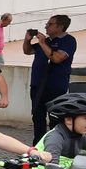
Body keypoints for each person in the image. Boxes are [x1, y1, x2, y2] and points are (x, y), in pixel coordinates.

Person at [23, 14, 77, 142]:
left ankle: (55, 146)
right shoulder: (46, 42)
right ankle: (38, 147)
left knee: (56, 119)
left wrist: (42, 42)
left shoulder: (69, 40)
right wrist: (27, 40)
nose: (46, 26)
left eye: (50, 24)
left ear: (60, 26)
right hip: (37, 86)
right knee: (37, 117)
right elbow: (27, 51)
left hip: (55, 87)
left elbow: (57, 58)